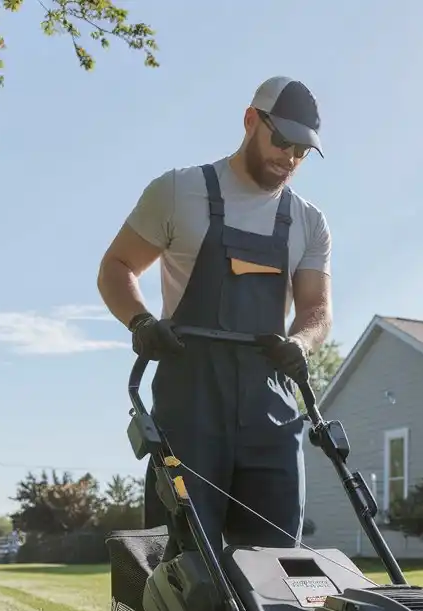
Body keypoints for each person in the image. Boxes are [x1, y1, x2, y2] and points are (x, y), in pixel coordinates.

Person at [97, 76, 332, 558]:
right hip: (191, 402)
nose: (289, 157)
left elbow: (315, 309)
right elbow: (115, 268)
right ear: (251, 121)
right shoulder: (179, 191)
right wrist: (141, 322)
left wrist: (302, 344)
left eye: (301, 151)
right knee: (183, 563)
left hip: (270, 407)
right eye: (281, 140)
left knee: (279, 565)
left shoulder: (308, 221)